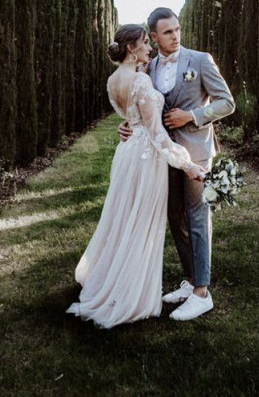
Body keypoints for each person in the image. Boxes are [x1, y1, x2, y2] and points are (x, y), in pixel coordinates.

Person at [66, 24, 206, 329]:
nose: (149, 48)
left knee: (124, 219)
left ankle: (114, 281)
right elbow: (157, 135)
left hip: (127, 154)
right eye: (145, 43)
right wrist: (188, 165)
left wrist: (127, 127)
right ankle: (132, 294)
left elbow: (128, 118)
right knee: (142, 224)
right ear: (132, 48)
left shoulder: (112, 80)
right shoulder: (141, 81)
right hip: (147, 159)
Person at [118, 7, 235, 321]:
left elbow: (227, 102)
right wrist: (128, 126)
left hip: (195, 153)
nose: (176, 36)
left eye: (178, 30)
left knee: (197, 216)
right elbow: (142, 109)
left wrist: (193, 116)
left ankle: (202, 293)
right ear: (153, 37)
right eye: (167, 32)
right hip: (162, 155)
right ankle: (191, 279)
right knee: (174, 217)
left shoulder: (200, 60)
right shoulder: (148, 67)